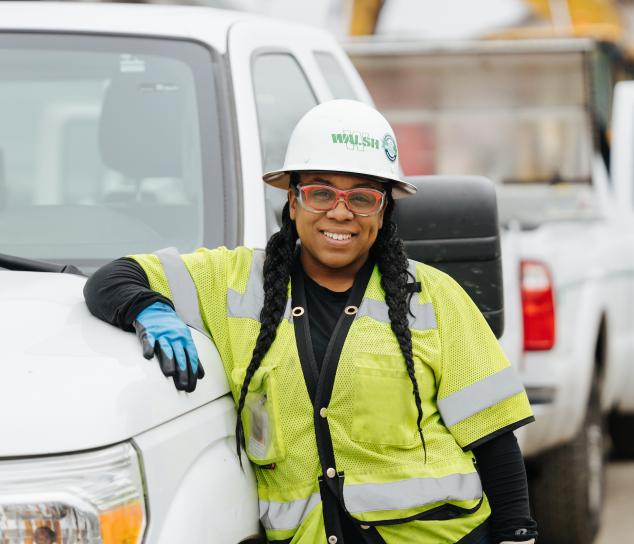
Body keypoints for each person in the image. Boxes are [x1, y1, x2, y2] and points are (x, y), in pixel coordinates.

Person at [84, 99, 538, 544]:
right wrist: (150, 309)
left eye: (362, 198)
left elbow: (494, 440)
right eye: (321, 193)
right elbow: (112, 279)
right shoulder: (234, 283)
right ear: (293, 200)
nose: (340, 212)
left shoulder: (433, 296)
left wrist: (518, 536)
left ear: (383, 211)